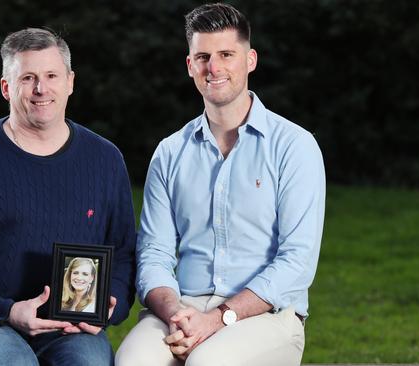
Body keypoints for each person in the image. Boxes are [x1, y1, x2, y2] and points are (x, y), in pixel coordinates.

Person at [0, 28, 136, 366]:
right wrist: (7, 311)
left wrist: (110, 299)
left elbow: (123, 254)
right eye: (27, 78)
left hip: (64, 325)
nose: (41, 88)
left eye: (50, 76)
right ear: (6, 88)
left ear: (70, 82)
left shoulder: (104, 160)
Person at [116, 3, 325, 366]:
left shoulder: (294, 146)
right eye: (203, 57)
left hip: (268, 315)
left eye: (227, 54)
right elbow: (154, 253)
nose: (214, 67)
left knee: (208, 362)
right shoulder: (170, 153)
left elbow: (297, 260)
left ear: (251, 60)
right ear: (189, 66)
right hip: (183, 309)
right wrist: (175, 315)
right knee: (133, 361)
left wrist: (218, 319)